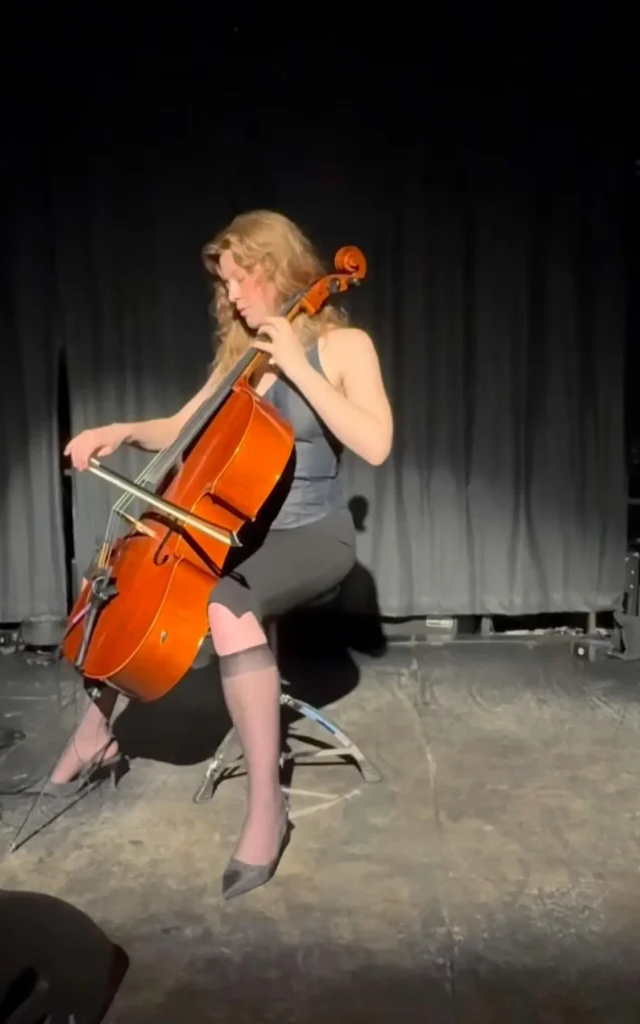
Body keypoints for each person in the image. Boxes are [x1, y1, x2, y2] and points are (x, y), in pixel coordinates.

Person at [55, 210, 393, 899]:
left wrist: (296, 365)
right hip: (245, 533)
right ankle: (95, 731)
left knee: (227, 600)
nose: (231, 294)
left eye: (241, 278)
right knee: (136, 574)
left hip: (315, 534)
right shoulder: (243, 358)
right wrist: (119, 431)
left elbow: (376, 443)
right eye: (226, 283)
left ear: (276, 268)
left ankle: (267, 807)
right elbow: (181, 428)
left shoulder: (342, 345)